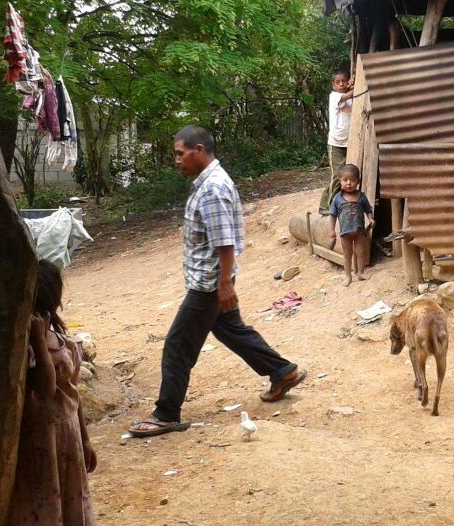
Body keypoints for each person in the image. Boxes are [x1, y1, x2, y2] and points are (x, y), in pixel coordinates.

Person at [129, 126, 305, 438]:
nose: (177, 160)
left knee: (177, 346)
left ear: (199, 150)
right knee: (232, 330)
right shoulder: (208, 184)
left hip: (208, 286)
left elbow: (224, 243)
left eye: (180, 154)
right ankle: (282, 371)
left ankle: (166, 413)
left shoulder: (213, 189)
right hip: (212, 282)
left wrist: (225, 284)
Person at [8, 260, 96, 525]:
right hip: (41, 442)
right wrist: (37, 339)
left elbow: (74, 396)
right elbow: (46, 390)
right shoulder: (28, 350)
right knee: (45, 505)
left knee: (70, 499)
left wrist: (86, 439)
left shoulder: (65, 343)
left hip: (68, 439)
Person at [328, 164, 374, 287]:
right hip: (345, 234)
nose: (349, 183)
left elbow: (368, 210)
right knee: (347, 254)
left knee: (360, 252)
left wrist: (371, 219)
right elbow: (332, 215)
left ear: (358, 182)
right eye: (345, 180)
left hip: (359, 233)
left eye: (352, 180)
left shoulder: (362, 197)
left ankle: (360, 273)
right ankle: (348, 276)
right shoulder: (337, 199)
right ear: (340, 182)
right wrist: (332, 230)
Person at [318, 68, 353, 215]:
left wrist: (353, 87)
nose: (341, 84)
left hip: (350, 142)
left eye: (344, 81)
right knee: (337, 176)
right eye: (338, 82)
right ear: (333, 85)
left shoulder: (350, 97)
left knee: (347, 176)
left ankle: (336, 204)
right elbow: (350, 94)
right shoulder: (334, 96)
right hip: (336, 143)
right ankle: (328, 207)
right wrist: (356, 86)